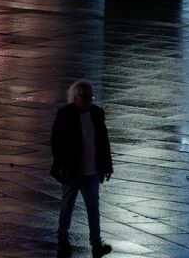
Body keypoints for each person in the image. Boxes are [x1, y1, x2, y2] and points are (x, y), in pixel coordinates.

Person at [51, 80, 113, 258]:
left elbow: (103, 142)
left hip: (91, 171)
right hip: (72, 172)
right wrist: (61, 165)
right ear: (75, 98)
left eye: (90, 97)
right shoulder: (65, 114)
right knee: (67, 207)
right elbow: (57, 143)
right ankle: (62, 240)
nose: (88, 101)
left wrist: (106, 166)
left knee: (93, 208)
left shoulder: (97, 113)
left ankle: (96, 243)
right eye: (84, 97)